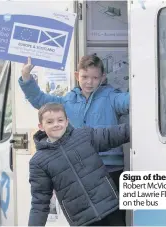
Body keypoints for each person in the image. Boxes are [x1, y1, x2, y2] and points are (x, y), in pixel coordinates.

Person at [19, 55, 129, 225]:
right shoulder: (68, 100)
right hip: (82, 168)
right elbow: (40, 100)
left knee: (114, 217)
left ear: (103, 78)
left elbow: (132, 102)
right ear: (77, 75)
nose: (89, 82)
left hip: (111, 168)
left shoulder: (111, 96)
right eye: (85, 77)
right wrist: (26, 78)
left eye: (94, 78)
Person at [28, 103, 130, 226]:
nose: (56, 124)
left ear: (67, 121)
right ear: (41, 126)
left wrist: (140, 127)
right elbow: (40, 201)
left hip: (111, 208)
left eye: (60, 120)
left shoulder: (84, 136)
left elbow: (111, 135)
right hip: (82, 220)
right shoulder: (38, 162)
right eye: (50, 122)